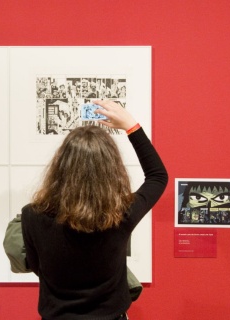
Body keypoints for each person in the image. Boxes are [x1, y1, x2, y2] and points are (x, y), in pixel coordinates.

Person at [19, 99, 168, 320]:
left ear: (61, 166)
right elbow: (157, 176)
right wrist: (131, 125)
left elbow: (35, 266)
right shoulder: (122, 215)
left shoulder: (32, 215)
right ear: (112, 169)